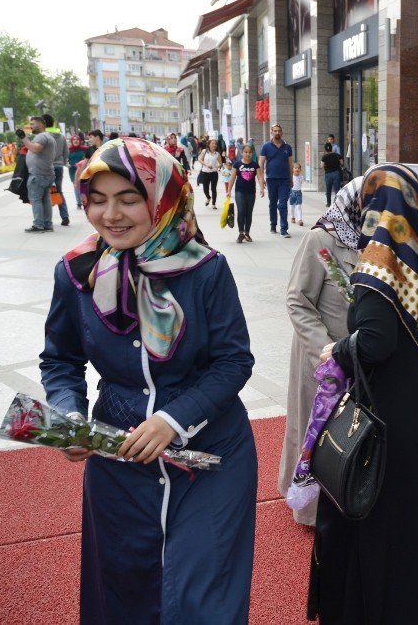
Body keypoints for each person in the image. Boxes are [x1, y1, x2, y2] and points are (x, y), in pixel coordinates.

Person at [40, 137, 257, 622]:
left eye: (128, 198)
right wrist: (69, 413)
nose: (110, 214)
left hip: (210, 457)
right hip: (119, 460)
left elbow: (233, 362)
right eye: (97, 200)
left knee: (202, 597)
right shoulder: (76, 273)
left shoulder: (205, 270)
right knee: (124, 588)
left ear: (160, 197)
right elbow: (60, 360)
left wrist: (174, 419)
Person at [308, 163, 418, 623]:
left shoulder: (378, 268)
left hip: (396, 430)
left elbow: (376, 344)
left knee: (398, 542)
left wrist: (338, 349)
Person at [280, 175, 365, 526]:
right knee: (314, 429)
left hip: (358, 355)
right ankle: (310, 509)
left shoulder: (378, 242)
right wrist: (326, 348)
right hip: (322, 358)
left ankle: (349, 495)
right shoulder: (321, 238)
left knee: (349, 431)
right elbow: (297, 300)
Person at [20, 116, 57, 233]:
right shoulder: (48, 136)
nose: (30, 126)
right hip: (45, 173)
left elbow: (35, 149)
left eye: (33, 124)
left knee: (35, 199)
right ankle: (47, 224)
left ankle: (38, 224)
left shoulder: (42, 136)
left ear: (40, 125)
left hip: (38, 174)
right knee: (45, 199)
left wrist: (23, 138)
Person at [259, 123, 294, 238]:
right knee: (273, 204)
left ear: (282, 132)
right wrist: (261, 179)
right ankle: (273, 224)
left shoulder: (287, 147)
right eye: (275, 131)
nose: (277, 133)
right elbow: (261, 163)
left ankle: (284, 229)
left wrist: (291, 178)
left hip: (284, 180)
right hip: (271, 179)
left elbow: (290, 164)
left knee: (283, 204)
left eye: (279, 131)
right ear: (271, 132)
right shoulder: (266, 146)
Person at [229, 143, 261, 243]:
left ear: (252, 153)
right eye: (245, 152)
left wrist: (262, 188)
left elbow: (260, 177)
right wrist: (228, 191)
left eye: (250, 152)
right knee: (241, 211)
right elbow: (232, 177)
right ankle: (241, 233)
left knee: (249, 213)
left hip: (251, 192)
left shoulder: (255, 165)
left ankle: (247, 233)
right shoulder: (237, 164)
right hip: (240, 192)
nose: (248, 154)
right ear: (242, 153)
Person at [43, 114, 71, 227]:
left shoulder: (43, 136)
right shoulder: (61, 136)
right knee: (58, 191)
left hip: (46, 167)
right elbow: (66, 152)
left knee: (44, 193)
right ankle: (65, 216)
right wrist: (62, 162)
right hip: (59, 167)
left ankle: (45, 220)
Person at [198, 138, 222, 209]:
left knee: (213, 188)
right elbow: (200, 159)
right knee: (205, 189)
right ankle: (208, 197)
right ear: (209, 144)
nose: (214, 145)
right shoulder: (204, 151)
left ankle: (213, 204)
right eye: (212, 143)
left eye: (215, 144)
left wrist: (217, 166)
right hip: (205, 173)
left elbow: (220, 163)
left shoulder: (217, 154)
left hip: (214, 173)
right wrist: (206, 165)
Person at [320, 136, 344, 206]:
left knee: (328, 190)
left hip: (328, 174)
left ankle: (328, 203)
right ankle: (337, 203)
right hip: (336, 173)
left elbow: (321, 166)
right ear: (331, 148)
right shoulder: (337, 155)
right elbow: (342, 163)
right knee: (337, 189)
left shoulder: (324, 157)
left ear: (325, 149)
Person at [68, 134, 86, 208]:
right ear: (72, 141)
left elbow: (87, 158)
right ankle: (78, 203)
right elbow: (66, 159)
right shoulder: (69, 150)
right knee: (76, 186)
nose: (76, 141)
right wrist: (67, 163)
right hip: (72, 170)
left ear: (80, 141)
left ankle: (84, 201)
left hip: (82, 169)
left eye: (77, 139)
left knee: (83, 186)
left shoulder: (84, 149)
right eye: (74, 139)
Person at [289, 162, 305, 226]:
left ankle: (300, 219)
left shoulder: (301, 177)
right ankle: (293, 217)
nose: (297, 169)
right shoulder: (291, 177)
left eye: (298, 168)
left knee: (298, 206)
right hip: (292, 193)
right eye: (295, 168)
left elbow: (300, 183)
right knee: (292, 207)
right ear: (292, 169)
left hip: (299, 193)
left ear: (300, 170)